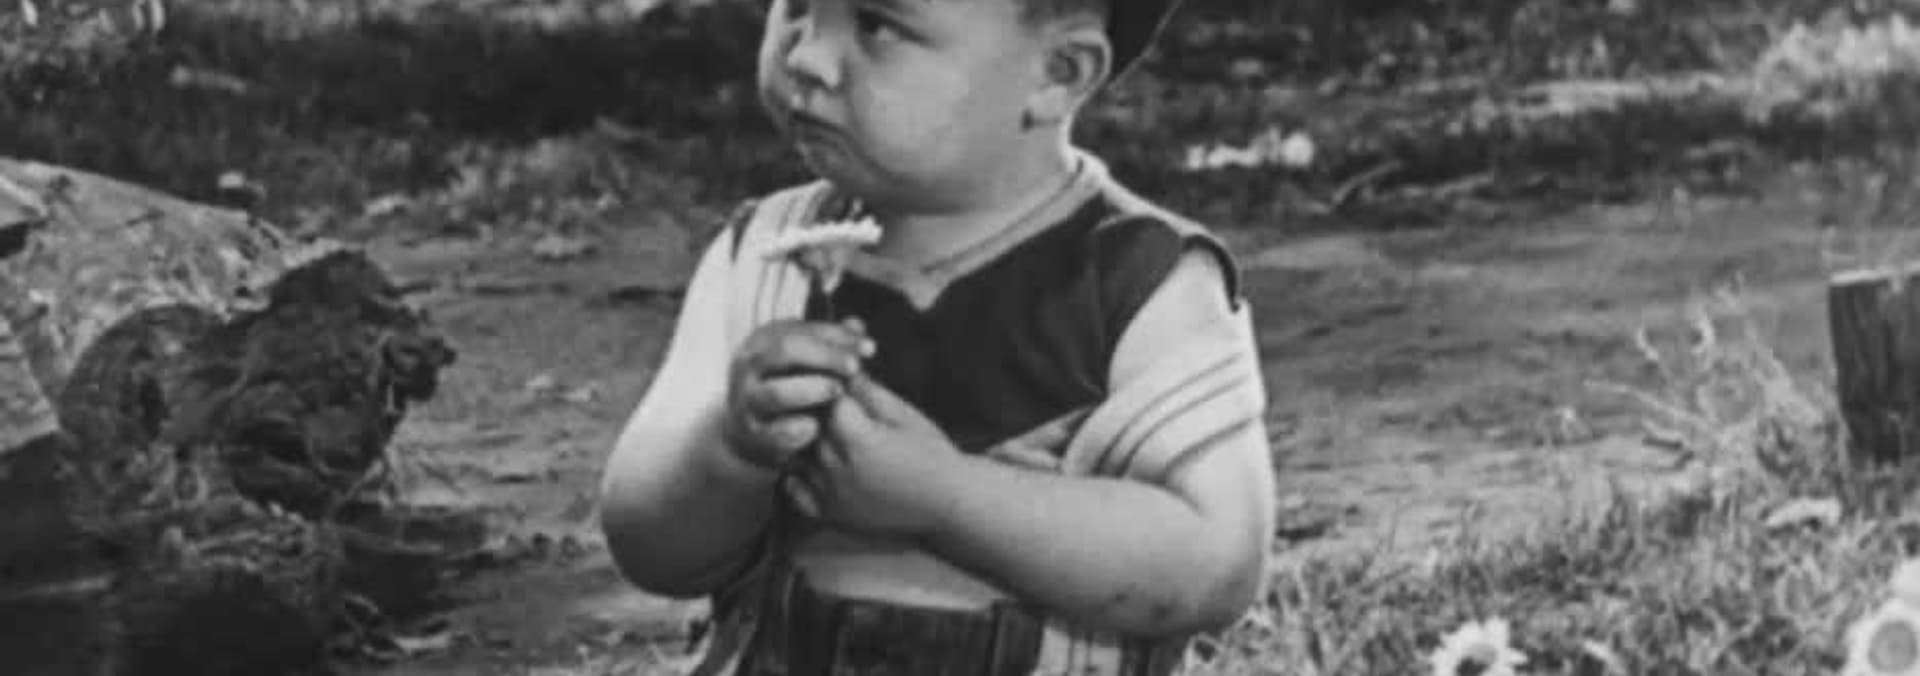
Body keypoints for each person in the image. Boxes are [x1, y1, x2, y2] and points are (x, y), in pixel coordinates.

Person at [597, 0, 1276, 673]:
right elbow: (650, 549)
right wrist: (731, 449)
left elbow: (1217, 566)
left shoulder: (1140, 285)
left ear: (1059, 73)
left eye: (876, 25)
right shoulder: (765, 262)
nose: (807, 56)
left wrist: (944, 499)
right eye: (797, 6)